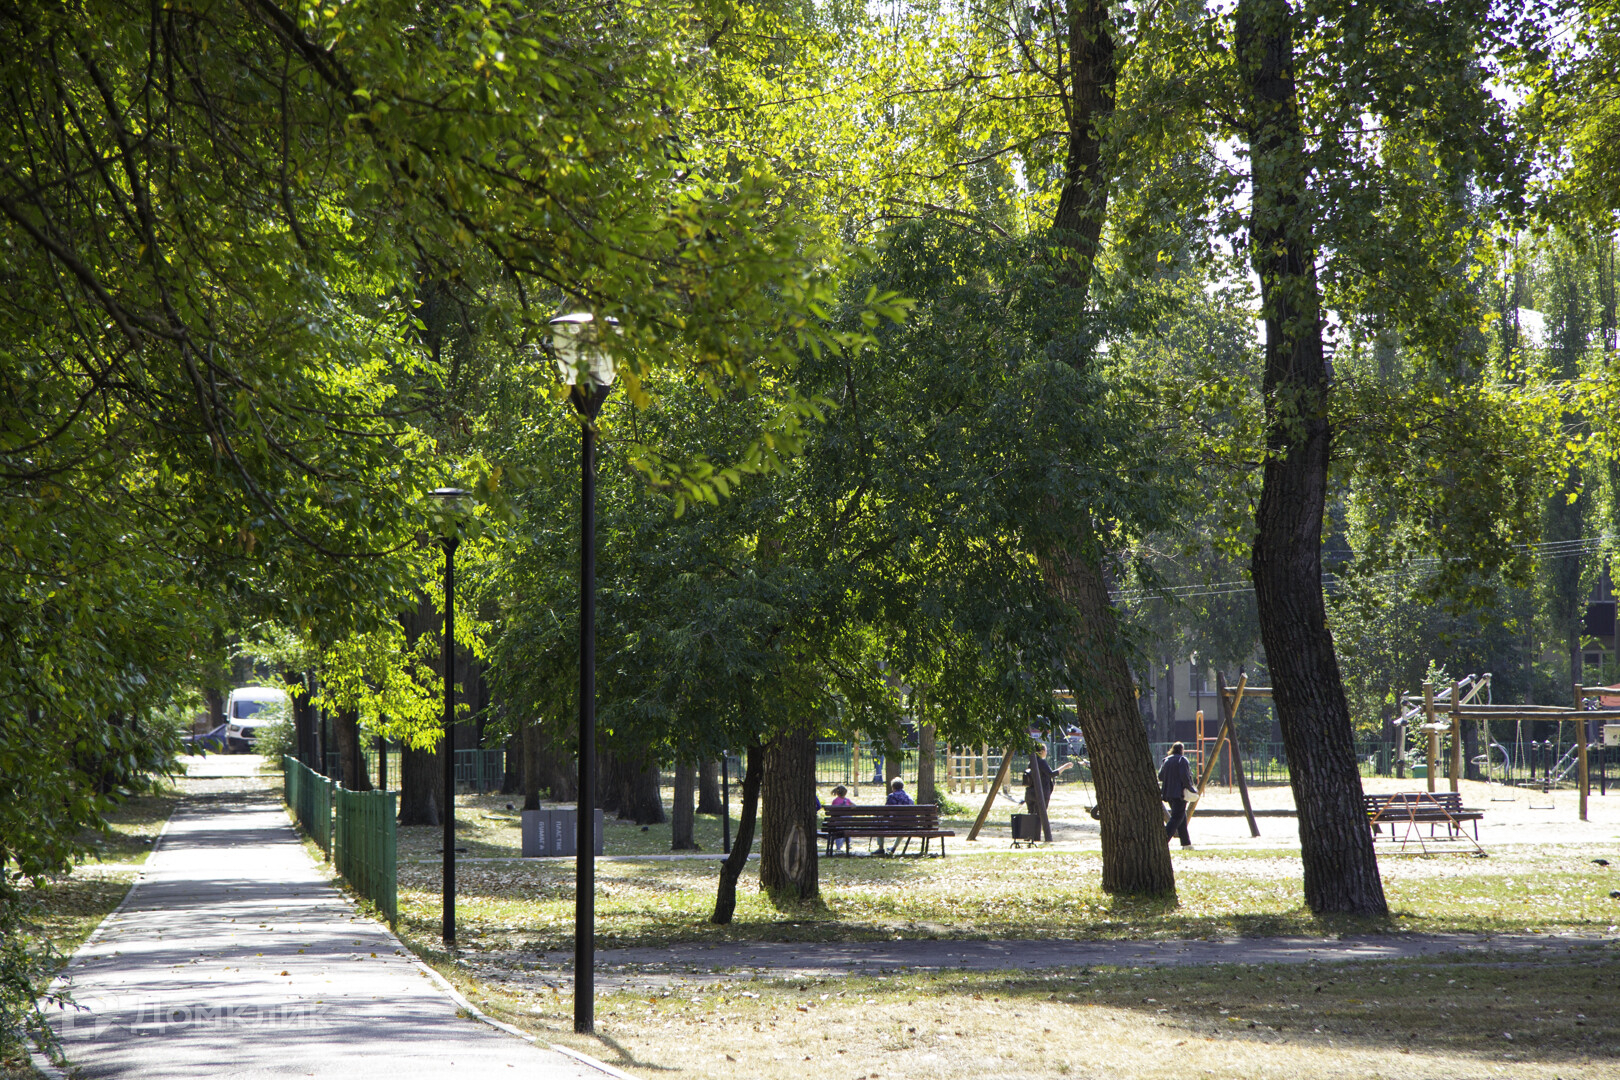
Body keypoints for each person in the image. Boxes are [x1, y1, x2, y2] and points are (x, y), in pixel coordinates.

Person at [1023, 744, 1073, 842]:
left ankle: (1029, 836)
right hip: (1041, 793)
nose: (1046, 752)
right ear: (1042, 751)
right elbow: (1052, 774)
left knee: (1031, 814)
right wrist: (1065, 766)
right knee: (1040, 815)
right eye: (1046, 750)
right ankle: (1037, 838)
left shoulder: (1031, 762)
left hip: (1030, 792)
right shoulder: (1041, 762)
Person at [1159, 741, 1194, 849]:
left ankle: (1186, 843)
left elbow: (1160, 776)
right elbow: (1185, 776)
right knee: (1176, 817)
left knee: (1181, 817)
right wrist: (1191, 788)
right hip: (1179, 793)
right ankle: (1162, 840)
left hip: (1168, 793)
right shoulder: (1182, 760)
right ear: (1182, 750)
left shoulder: (1166, 760)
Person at [828, 785, 854, 851]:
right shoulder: (847, 800)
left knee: (838, 832)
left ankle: (838, 847)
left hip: (838, 822)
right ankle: (848, 843)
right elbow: (855, 806)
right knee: (847, 829)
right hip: (847, 822)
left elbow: (832, 812)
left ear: (837, 793)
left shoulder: (835, 801)